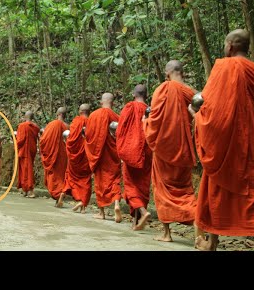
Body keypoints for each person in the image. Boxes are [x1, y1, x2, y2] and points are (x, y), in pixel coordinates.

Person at [190, 30, 254, 251]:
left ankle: (212, 242)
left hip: (225, 147)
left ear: (230, 46)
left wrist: (196, 115)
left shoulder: (222, 68)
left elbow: (211, 111)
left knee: (217, 193)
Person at [144, 61, 199, 242]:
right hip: (183, 151)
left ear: (167, 74)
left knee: (161, 190)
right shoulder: (191, 93)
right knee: (185, 190)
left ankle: (167, 234)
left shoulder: (162, 90)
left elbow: (154, 122)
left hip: (163, 152)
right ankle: (198, 221)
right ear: (182, 73)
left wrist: (144, 123)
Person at [117, 85, 152, 230]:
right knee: (142, 186)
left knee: (131, 186)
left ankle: (143, 212)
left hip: (130, 152)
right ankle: (135, 221)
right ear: (147, 95)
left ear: (133, 94)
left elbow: (121, 130)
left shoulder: (129, 107)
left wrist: (121, 151)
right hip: (147, 153)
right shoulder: (150, 110)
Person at [85, 93, 122, 222]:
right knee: (114, 180)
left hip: (99, 156)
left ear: (101, 102)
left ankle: (102, 212)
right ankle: (117, 204)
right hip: (113, 155)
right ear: (113, 103)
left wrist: (92, 151)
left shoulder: (94, 115)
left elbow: (89, 136)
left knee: (100, 182)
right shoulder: (117, 117)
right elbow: (121, 137)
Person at [57, 104, 92, 213]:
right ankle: (82, 204)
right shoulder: (92, 122)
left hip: (74, 158)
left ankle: (62, 194)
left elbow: (70, 140)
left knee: (70, 177)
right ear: (89, 111)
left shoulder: (76, 122)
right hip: (86, 156)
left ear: (79, 111)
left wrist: (70, 152)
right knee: (85, 179)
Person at [39, 107, 68, 205]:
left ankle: (58, 195)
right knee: (61, 175)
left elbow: (43, 140)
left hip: (52, 155)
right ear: (65, 115)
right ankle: (61, 194)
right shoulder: (68, 126)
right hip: (64, 156)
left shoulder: (51, 125)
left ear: (57, 114)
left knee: (53, 176)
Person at [16, 111, 40, 198]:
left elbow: (20, 140)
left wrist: (16, 143)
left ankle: (30, 190)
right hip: (32, 149)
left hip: (24, 149)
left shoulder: (22, 126)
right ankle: (25, 190)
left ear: (25, 117)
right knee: (27, 168)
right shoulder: (36, 127)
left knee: (26, 169)